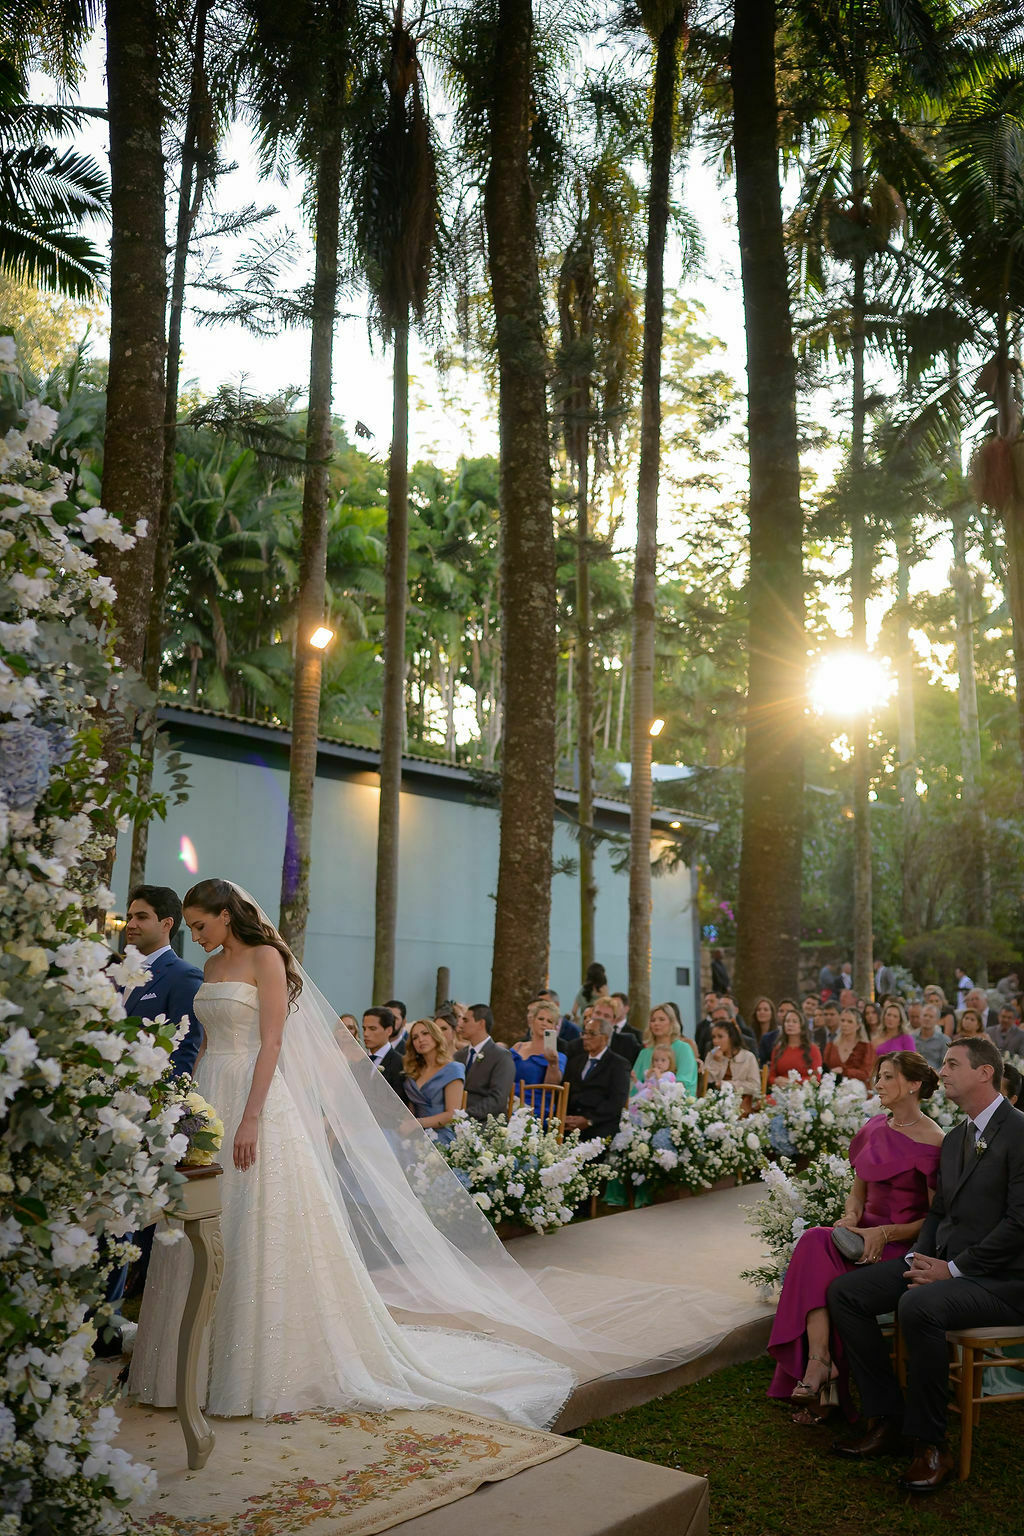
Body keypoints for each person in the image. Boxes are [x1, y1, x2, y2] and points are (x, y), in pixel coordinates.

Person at [129, 879, 585, 1429]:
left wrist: (250, 1116)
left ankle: (254, 1367)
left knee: (257, 1221)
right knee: (205, 1216)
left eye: (202, 925)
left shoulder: (266, 957)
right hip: (211, 1090)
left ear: (227, 915)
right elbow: (200, 1038)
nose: (196, 936)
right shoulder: (213, 966)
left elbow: (272, 1041)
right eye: (193, 929)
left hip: (257, 1094)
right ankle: (185, 1369)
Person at [829, 1036, 1024, 1492]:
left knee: (920, 1307)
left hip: (1005, 1281)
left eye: (953, 1064)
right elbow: (938, 1213)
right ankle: (887, 1418)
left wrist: (950, 1271)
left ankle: (930, 1444)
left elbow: (1019, 1224)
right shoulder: (956, 1137)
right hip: (948, 1268)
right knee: (847, 1293)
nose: (944, 1071)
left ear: (984, 1073)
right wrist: (924, 1259)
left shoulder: (1020, 1133)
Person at [767, 1052, 942, 1420]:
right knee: (815, 1239)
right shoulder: (875, 1126)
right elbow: (857, 1191)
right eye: (877, 1076)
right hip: (858, 1237)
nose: (877, 1084)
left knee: (824, 1273)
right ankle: (819, 1362)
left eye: (887, 1077)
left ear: (913, 1085)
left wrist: (884, 1232)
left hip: (898, 1246)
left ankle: (823, 1380)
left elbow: (933, 1219)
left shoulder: (935, 1140)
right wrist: (849, 1218)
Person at [121, 884, 204, 1075]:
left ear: (167, 924)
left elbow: (185, 1050)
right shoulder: (115, 971)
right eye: (129, 917)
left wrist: (165, 1100)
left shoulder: (184, 976)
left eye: (141, 917)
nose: (131, 925)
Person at [563, 1013, 631, 1139]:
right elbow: (564, 1091)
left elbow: (616, 1102)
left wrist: (589, 1120)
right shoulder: (575, 1062)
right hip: (570, 1125)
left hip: (600, 1126)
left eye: (591, 1034)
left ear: (605, 1038)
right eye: (584, 1033)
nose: (585, 1037)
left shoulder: (618, 1065)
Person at [402, 1018, 465, 1146]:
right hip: (414, 1132)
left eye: (425, 1034)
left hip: (440, 1135)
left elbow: (452, 1114)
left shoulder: (452, 1069)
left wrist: (417, 1123)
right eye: (415, 1037)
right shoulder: (414, 1071)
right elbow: (411, 1109)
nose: (420, 1039)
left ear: (436, 1036)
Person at [456, 1003, 516, 1122]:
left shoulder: (502, 1057)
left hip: (485, 1122)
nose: (460, 1025)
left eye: (466, 1020)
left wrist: (466, 1116)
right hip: (455, 1119)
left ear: (481, 1023)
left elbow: (497, 1099)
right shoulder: (458, 1055)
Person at [631, 1002, 698, 1096]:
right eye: (653, 1020)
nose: (656, 1023)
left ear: (672, 1023)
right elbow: (634, 1083)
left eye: (661, 1020)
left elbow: (684, 1082)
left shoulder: (684, 1049)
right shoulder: (644, 1052)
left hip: (675, 1102)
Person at [704, 1019, 761, 1112]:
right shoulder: (711, 1055)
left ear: (731, 1038)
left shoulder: (748, 1057)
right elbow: (706, 1084)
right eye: (713, 1037)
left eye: (720, 1037)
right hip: (716, 1104)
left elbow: (755, 1086)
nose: (715, 1041)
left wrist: (729, 1085)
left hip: (742, 1105)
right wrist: (717, 1062)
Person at [512, 998, 566, 1093]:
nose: (544, 1023)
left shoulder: (559, 1057)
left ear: (554, 1027)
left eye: (549, 1021)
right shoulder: (518, 1046)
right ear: (532, 1021)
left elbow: (550, 1089)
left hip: (535, 1104)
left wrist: (553, 1064)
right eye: (541, 1019)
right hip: (508, 1099)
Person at [767, 1004, 822, 1085]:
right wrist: (775, 1081)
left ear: (802, 1026)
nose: (790, 1024)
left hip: (803, 1093)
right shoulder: (777, 1049)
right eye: (787, 1021)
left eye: (794, 1021)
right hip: (779, 1092)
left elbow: (816, 1078)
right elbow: (771, 1076)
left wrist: (792, 1082)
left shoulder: (813, 1049)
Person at [362, 1005, 405, 1095]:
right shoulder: (359, 1064)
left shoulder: (401, 1063)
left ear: (389, 1030)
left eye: (372, 1029)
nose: (366, 1034)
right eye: (364, 1029)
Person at [823, 1008, 874, 1084]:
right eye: (842, 1020)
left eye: (850, 1022)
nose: (845, 1024)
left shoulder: (866, 1047)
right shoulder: (831, 1046)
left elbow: (866, 1073)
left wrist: (844, 1071)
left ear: (858, 1026)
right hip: (832, 1088)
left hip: (857, 1090)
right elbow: (825, 1069)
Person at [913, 1002, 949, 1071]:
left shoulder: (944, 1040)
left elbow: (946, 1064)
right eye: (925, 1015)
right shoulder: (911, 1038)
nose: (927, 1018)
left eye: (931, 1016)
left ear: (937, 1020)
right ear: (920, 1017)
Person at [753, 997, 779, 1065]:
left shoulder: (777, 1035)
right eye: (758, 1010)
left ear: (772, 1013)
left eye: (766, 1010)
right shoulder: (750, 1034)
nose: (762, 1012)